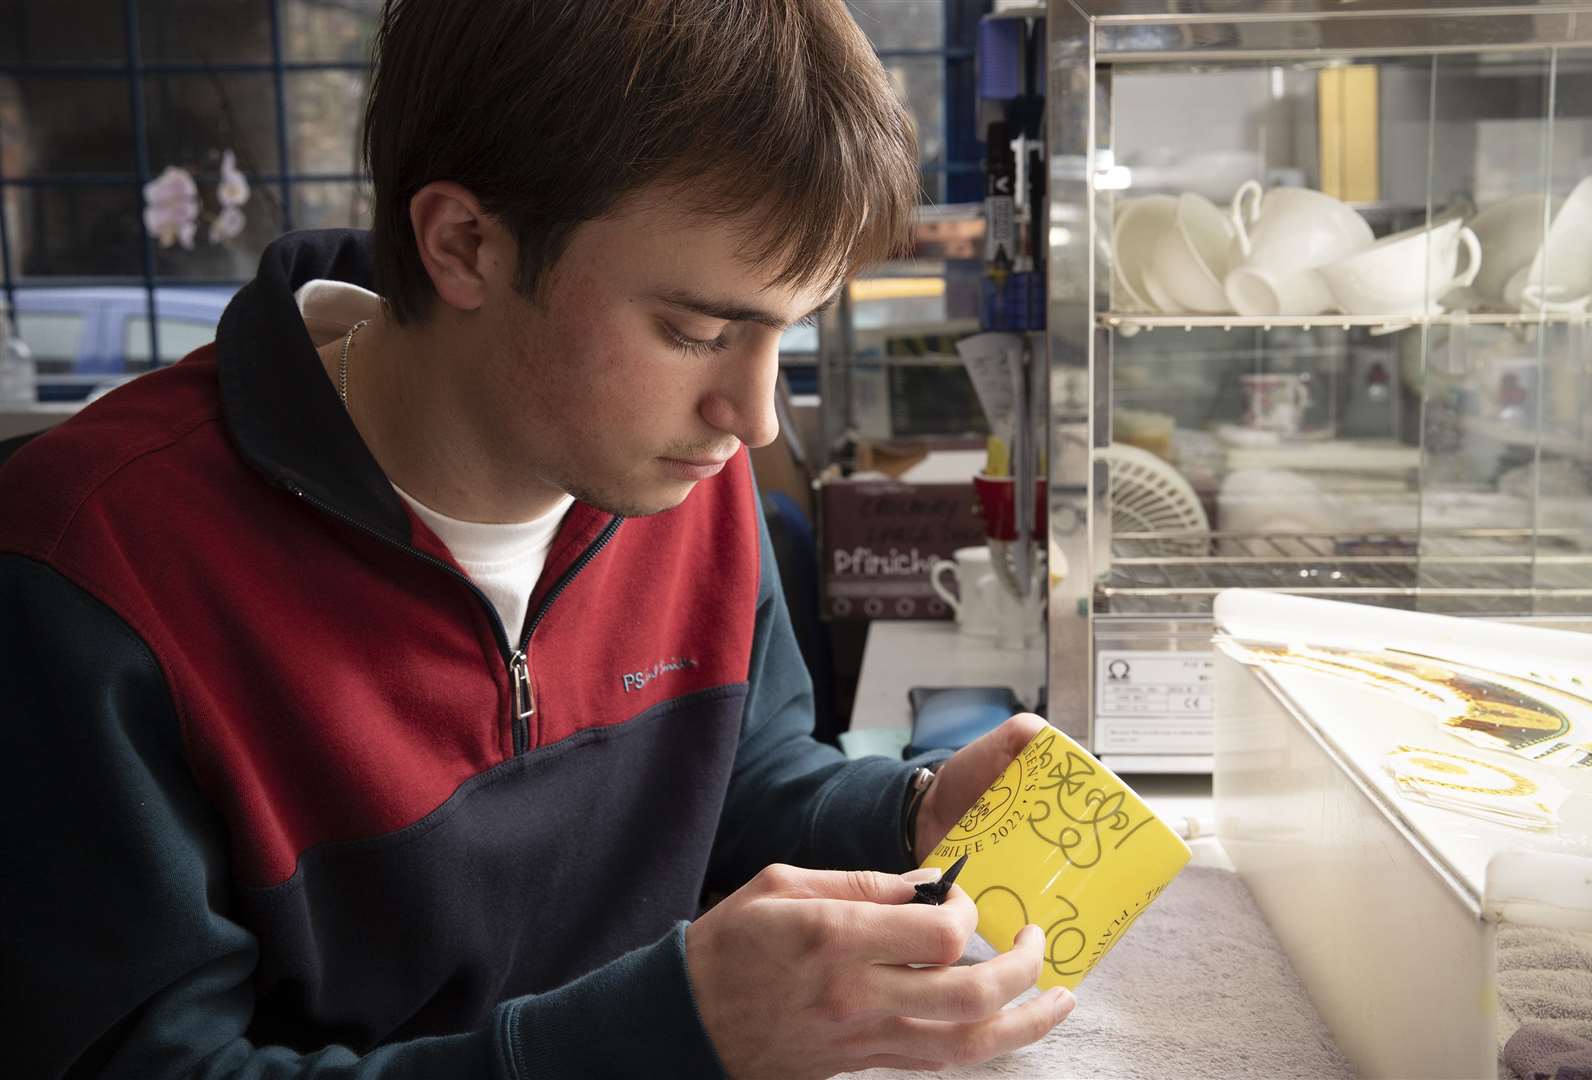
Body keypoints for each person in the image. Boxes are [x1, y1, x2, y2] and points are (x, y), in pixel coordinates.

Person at [0, 2, 1075, 1077]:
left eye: (787, 329)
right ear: (464, 243)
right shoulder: (88, 568)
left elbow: (740, 784)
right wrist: (665, 1036)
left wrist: (910, 813)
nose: (754, 418)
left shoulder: (675, 468)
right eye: (697, 332)